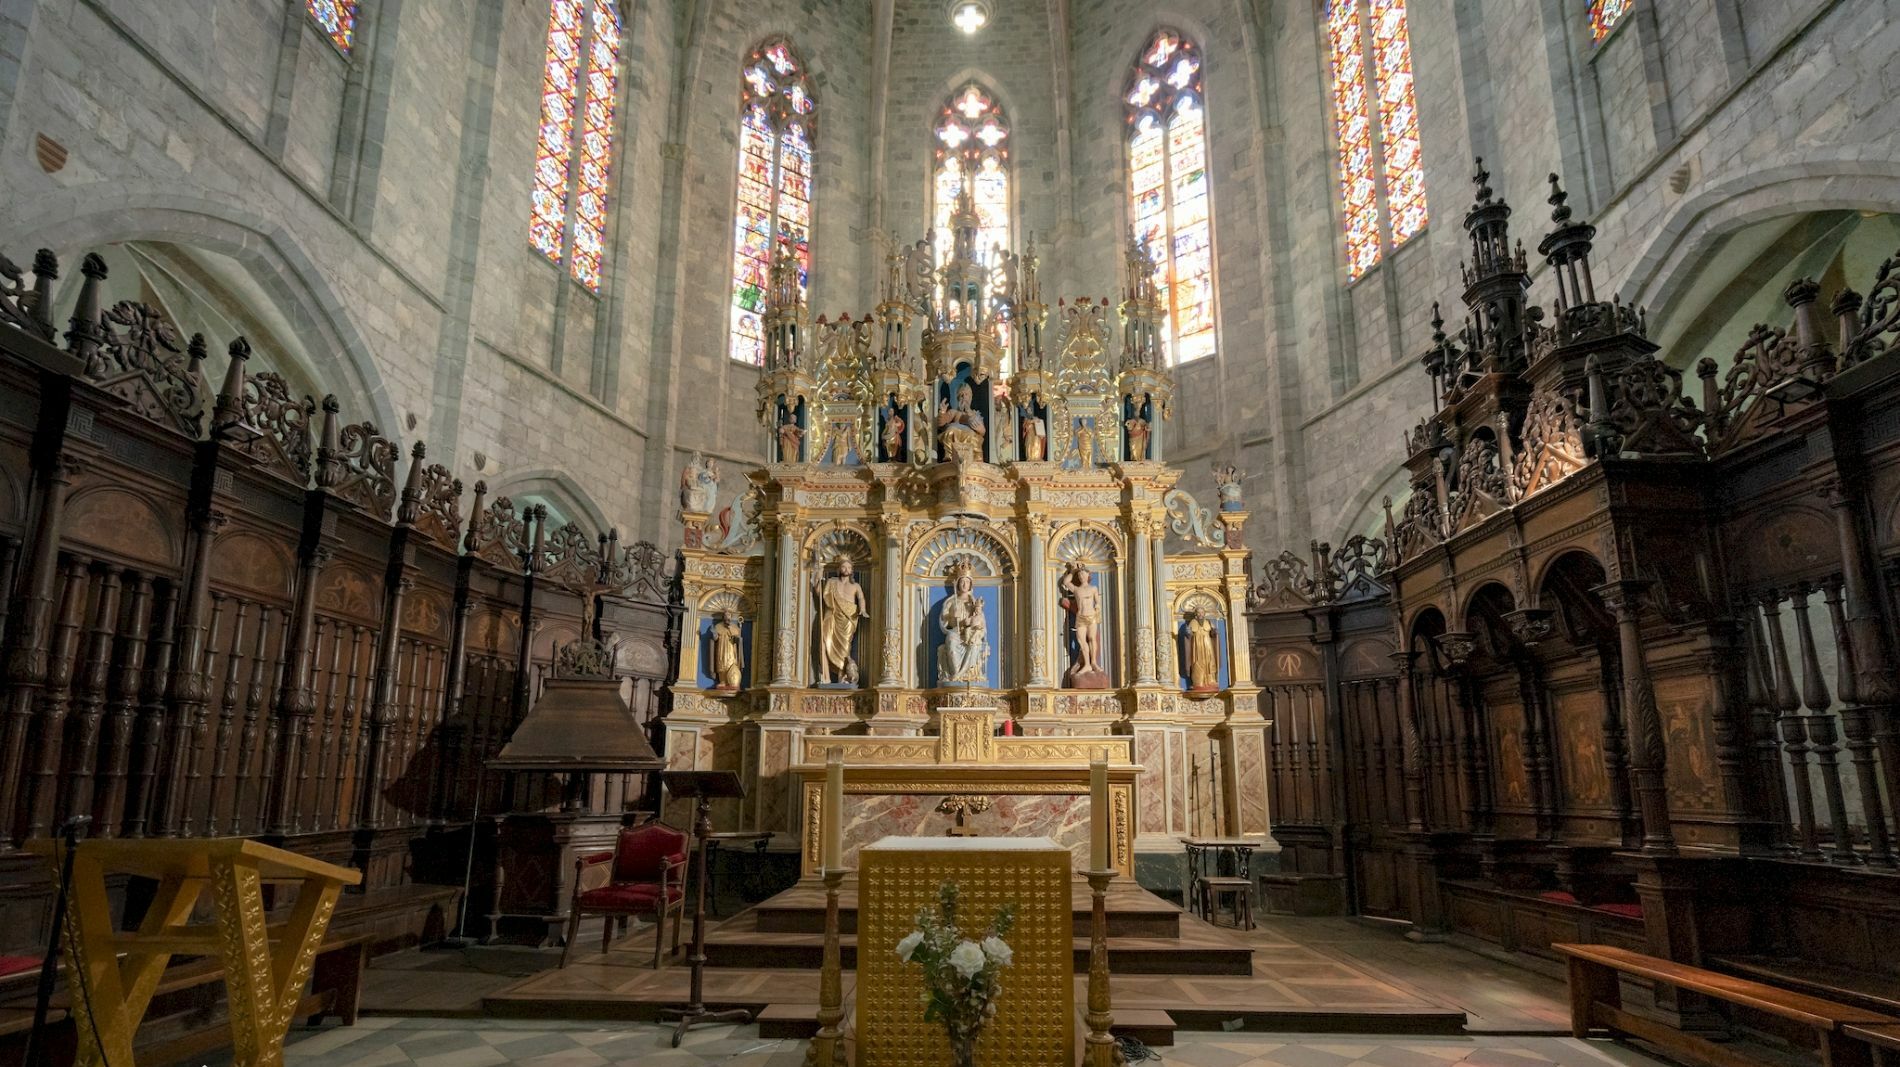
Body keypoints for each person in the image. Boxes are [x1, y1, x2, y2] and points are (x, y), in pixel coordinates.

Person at [814, 558, 868, 685]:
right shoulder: (831, 582)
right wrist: (817, 579)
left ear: (852, 570)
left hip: (849, 618)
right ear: (839, 569)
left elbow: (861, 598)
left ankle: (842, 676)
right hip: (832, 616)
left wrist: (863, 609)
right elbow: (821, 594)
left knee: (845, 649)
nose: (846, 570)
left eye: (849, 567)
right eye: (844, 567)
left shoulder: (855, 586)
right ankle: (827, 677)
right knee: (825, 642)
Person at [937, 564, 989, 684]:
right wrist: (952, 617)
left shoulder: (974, 603)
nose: (965, 585)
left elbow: (981, 622)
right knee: (951, 639)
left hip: (970, 634)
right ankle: (956, 674)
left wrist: (973, 625)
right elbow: (944, 623)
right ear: (958, 584)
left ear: (971, 584)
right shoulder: (950, 602)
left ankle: (961, 674)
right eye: (962, 582)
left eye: (967, 582)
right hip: (956, 632)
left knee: (975, 643)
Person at [1061, 562, 1104, 686]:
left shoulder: (1093, 588)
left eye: (1083, 575)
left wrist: (1097, 607)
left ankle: (1094, 662)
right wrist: (1073, 571)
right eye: (1079, 575)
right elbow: (1065, 582)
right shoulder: (1076, 589)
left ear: (1088, 575)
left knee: (1092, 638)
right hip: (1080, 617)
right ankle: (1087, 664)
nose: (1081, 577)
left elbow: (1097, 601)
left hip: (1091, 616)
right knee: (1081, 640)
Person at [1186, 609, 1220, 692]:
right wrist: (1188, 632)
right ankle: (1198, 682)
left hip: (1207, 643)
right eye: (1198, 612)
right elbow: (1189, 635)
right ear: (1196, 614)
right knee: (1197, 661)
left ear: (1204, 613)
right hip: (1197, 644)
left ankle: (1211, 680)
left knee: (1210, 660)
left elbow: (1213, 634)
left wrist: (1214, 632)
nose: (1200, 614)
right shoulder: (1193, 622)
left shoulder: (1208, 622)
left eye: (1202, 612)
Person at [711, 612, 744, 691]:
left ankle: (732, 682)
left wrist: (730, 629)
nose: (727, 617)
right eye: (726, 615)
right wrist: (714, 633)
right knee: (721, 663)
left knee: (731, 663)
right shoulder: (718, 626)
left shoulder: (734, 627)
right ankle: (722, 681)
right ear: (723, 617)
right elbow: (715, 639)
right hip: (721, 648)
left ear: (731, 617)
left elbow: (737, 638)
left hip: (731, 648)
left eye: (729, 615)